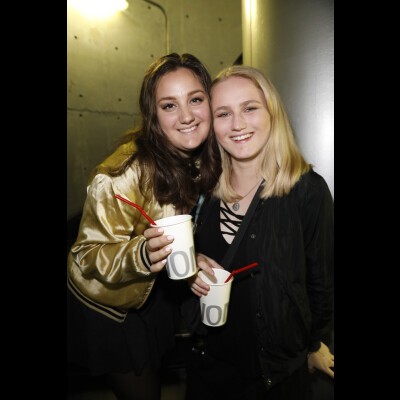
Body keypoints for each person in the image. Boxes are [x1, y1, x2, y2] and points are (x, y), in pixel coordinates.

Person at [67, 53, 221, 400]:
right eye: (169, 105)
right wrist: (141, 254)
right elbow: (85, 254)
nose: (186, 116)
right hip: (110, 307)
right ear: (153, 115)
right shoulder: (121, 175)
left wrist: (192, 255)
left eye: (195, 100)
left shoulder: (200, 157)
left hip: (154, 294)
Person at [181, 65, 334, 399]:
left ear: (272, 113)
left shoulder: (307, 190)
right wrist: (191, 266)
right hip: (209, 370)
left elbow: (322, 282)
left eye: (249, 108)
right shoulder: (201, 190)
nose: (237, 124)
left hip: (275, 378)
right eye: (223, 113)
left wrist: (316, 344)